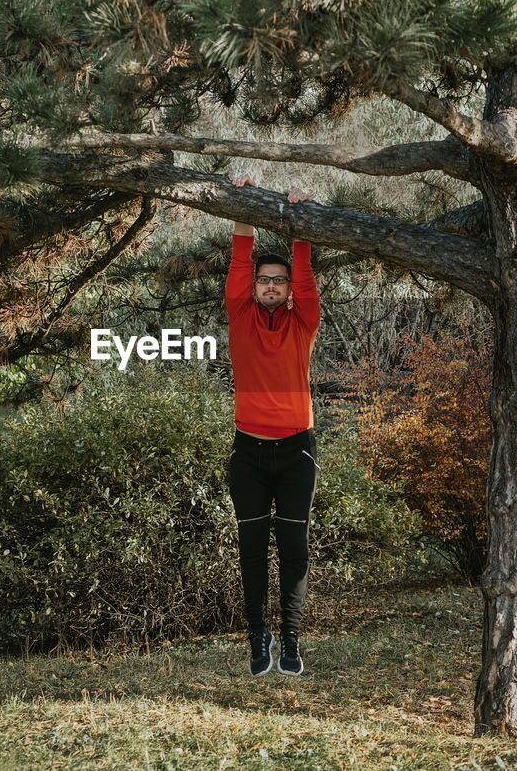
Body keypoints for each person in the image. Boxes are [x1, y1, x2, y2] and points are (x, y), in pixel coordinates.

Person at [225, 174, 321, 677]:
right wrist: (243, 203)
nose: (269, 285)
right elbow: (240, 255)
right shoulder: (239, 315)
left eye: (278, 281)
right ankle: (257, 638)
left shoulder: (303, 320)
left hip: (296, 454)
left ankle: (290, 639)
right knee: (252, 551)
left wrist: (300, 223)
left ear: (288, 291)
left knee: (293, 548)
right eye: (263, 279)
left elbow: (305, 273)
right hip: (248, 455)